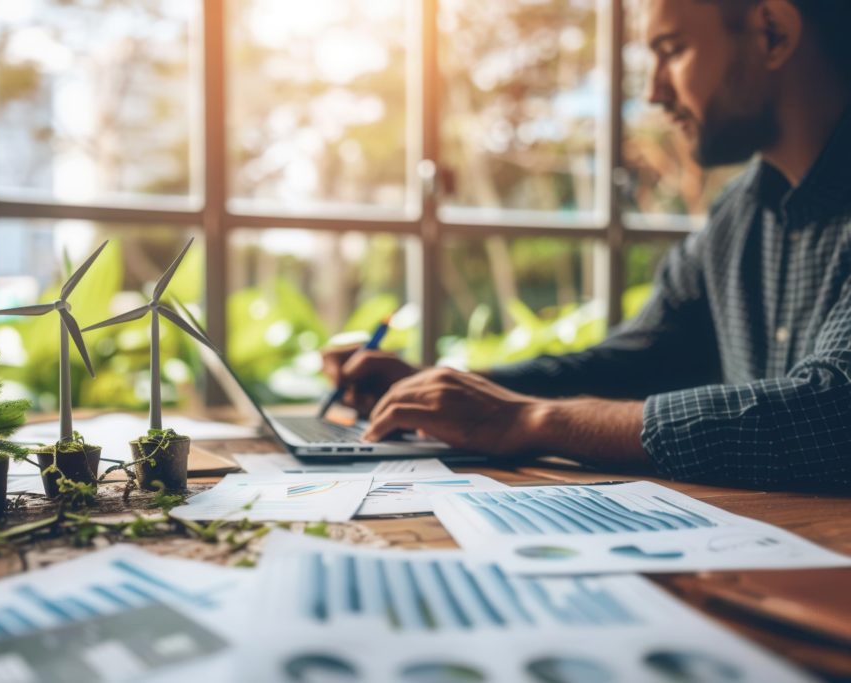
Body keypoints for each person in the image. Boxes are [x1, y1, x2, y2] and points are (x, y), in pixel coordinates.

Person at [323, 0, 851, 488]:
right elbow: (635, 363)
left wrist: (530, 419)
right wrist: (447, 389)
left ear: (773, 33)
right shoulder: (740, 212)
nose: (653, 92)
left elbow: (833, 413)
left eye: (672, 51)